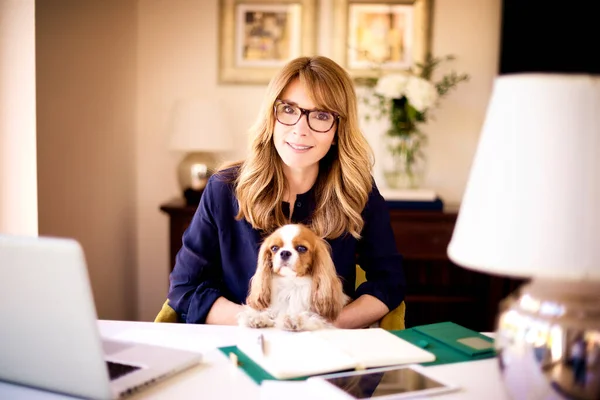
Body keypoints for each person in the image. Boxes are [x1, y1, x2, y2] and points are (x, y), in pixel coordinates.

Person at [167, 55, 405, 328]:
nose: (300, 130)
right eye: (289, 110)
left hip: (327, 347)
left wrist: (321, 326)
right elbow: (184, 289)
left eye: (321, 115)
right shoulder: (224, 188)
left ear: (338, 129)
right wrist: (261, 324)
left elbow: (389, 281)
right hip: (241, 345)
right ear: (272, 115)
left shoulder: (357, 190)